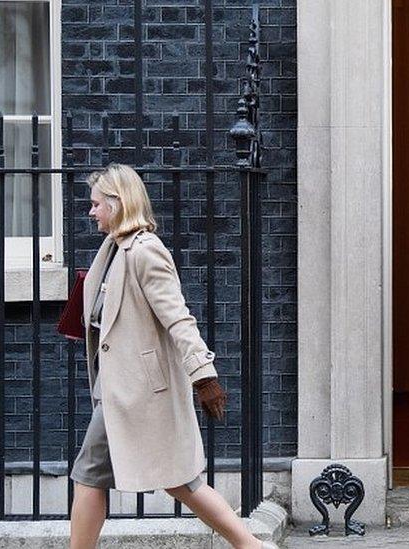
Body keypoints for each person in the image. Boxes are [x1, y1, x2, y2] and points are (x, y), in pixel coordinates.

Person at [69, 164, 274, 549]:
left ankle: (250, 545)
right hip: (119, 391)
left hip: (141, 393)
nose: (91, 211)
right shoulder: (113, 249)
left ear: (117, 203)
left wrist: (204, 376)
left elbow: (179, 318)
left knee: (101, 474)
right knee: (173, 481)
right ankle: (251, 546)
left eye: (96, 204)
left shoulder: (145, 252)